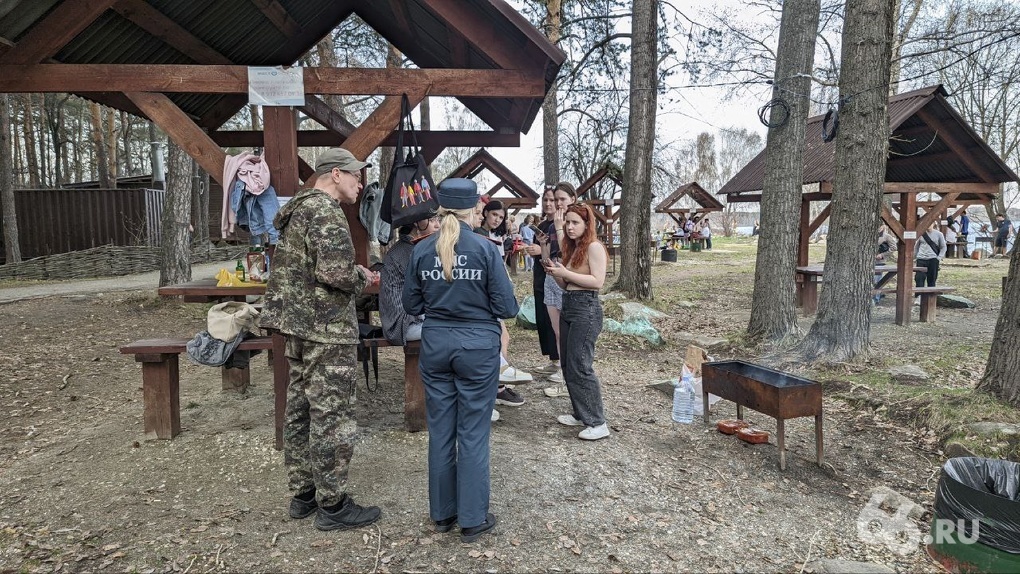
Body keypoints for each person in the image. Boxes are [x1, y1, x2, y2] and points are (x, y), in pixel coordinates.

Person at [259, 147, 381, 531]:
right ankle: (333, 504)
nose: (360, 183)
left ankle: (304, 494)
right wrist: (363, 276)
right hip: (326, 330)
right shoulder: (325, 210)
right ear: (336, 175)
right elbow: (334, 273)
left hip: (298, 327)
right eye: (356, 175)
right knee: (331, 414)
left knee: (299, 410)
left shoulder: (299, 209)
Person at [402, 178, 519, 543]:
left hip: (436, 345)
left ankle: (441, 515)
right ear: (476, 210)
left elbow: (411, 305)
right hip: (478, 349)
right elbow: (508, 307)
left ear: (439, 207)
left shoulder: (421, 250)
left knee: (441, 432)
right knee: (472, 432)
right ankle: (471, 518)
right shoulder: (485, 249)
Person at [543, 203, 610, 441]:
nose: (569, 227)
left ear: (586, 224)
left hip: (586, 309)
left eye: (575, 223)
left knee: (581, 365)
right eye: (567, 222)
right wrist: (557, 273)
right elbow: (567, 284)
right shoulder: (573, 248)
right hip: (569, 304)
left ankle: (598, 422)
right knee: (568, 364)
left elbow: (597, 281)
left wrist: (565, 274)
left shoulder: (594, 246)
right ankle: (580, 413)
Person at [472, 199, 529, 415]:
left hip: (495, 292)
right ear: (484, 213)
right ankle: (497, 384)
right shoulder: (478, 234)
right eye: (493, 215)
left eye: (501, 217)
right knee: (499, 337)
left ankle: (499, 383)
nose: (497, 219)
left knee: (503, 337)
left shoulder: (498, 235)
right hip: (486, 296)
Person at [379, 213, 441, 346]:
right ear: (416, 223)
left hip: (412, 319)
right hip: (403, 324)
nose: (437, 225)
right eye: (431, 220)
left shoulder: (414, 247)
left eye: (438, 219)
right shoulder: (408, 250)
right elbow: (429, 288)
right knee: (455, 330)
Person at [540, 182, 578, 397]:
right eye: (555, 200)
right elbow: (549, 256)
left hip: (569, 279)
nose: (557, 203)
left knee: (570, 333)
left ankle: (571, 380)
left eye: (562, 199)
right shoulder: (552, 223)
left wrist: (559, 227)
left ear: (573, 198)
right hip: (551, 276)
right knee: (558, 332)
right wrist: (544, 246)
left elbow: (570, 254)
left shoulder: (575, 222)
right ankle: (564, 379)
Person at [523, 187, 562, 381]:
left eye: (552, 200)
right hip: (540, 277)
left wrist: (541, 250)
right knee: (544, 321)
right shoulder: (543, 225)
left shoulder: (561, 225)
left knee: (555, 324)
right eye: (545, 200)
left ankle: (561, 364)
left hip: (556, 279)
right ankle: (554, 361)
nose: (548, 204)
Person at [914, 221, 947, 300]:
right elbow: (916, 247)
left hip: (933, 259)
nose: (928, 225)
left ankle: (930, 297)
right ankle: (919, 296)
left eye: (930, 224)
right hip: (921, 258)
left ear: (933, 224)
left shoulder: (939, 234)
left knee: (932, 278)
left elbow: (943, 247)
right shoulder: (921, 234)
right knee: (919, 278)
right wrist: (915, 257)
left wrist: (939, 258)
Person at [874, 224, 897, 304]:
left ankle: (876, 299)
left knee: (877, 280)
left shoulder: (887, 236)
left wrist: (882, 255)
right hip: (870, 262)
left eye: (880, 226)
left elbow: (894, 247)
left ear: (883, 226)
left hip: (880, 262)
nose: (878, 228)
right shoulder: (871, 234)